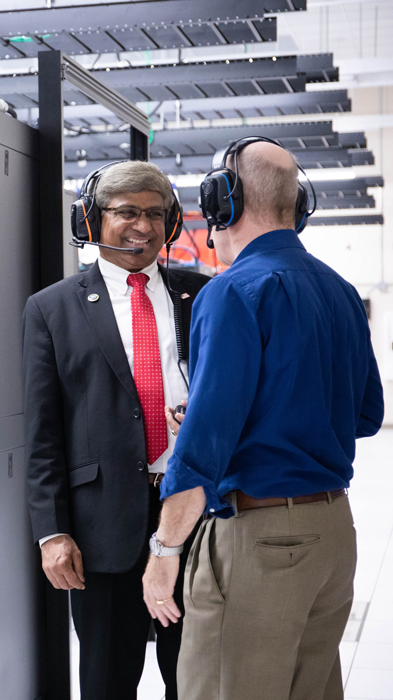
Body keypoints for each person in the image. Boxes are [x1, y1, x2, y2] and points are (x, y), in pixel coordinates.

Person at [141, 140, 385, 700]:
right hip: (332, 537)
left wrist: (164, 553)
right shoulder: (341, 292)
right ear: (298, 205)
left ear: (223, 200)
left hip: (261, 543)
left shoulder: (232, 293)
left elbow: (201, 452)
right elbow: (368, 415)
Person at [23, 160, 211, 700]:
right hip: (101, 530)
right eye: (127, 212)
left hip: (194, 517)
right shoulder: (51, 309)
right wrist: (51, 532)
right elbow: (42, 435)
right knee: (106, 681)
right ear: (91, 219)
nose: (144, 227)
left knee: (196, 678)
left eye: (156, 214)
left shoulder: (202, 297)